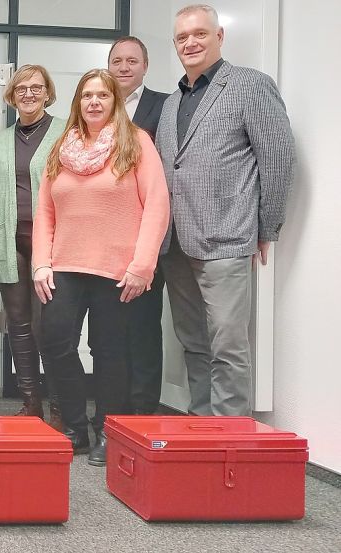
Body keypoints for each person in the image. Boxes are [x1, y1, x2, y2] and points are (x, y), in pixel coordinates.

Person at [156, 4, 295, 417]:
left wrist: (267, 227)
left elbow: (277, 157)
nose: (191, 42)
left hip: (226, 238)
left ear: (220, 37)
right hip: (176, 242)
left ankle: (231, 442)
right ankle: (202, 430)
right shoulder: (171, 102)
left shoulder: (250, 85)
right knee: (193, 342)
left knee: (228, 346)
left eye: (199, 34)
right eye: (182, 37)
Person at [32, 69, 169, 466]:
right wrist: (41, 263)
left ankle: (110, 429)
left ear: (116, 101)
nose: (94, 102)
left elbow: (157, 205)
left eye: (102, 96)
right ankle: (76, 426)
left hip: (118, 269)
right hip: (65, 265)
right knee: (56, 342)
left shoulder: (136, 143)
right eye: (87, 95)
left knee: (109, 351)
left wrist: (143, 264)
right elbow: (44, 210)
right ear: (78, 102)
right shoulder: (62, 147)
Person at [0, 65, 65, 426]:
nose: (28, 94)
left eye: (35, 88)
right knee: (18, 323)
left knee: (51, 326)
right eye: (21, 89)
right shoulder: (0, 141)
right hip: (8, 240)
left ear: (48, 93)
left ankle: (61, 404)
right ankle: (31, 403)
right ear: (12, 97)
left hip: (54, 243)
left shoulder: (65, 132)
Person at [107, 35, 171, 416]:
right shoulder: (96, 109)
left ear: (145, 66)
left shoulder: (165, 106)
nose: (125, 67)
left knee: (144, 326)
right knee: (111, 330)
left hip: (148, 236)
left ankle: (143, 410)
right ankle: (114, 409)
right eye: (117, 61)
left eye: (132, 60)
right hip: (106, 240)